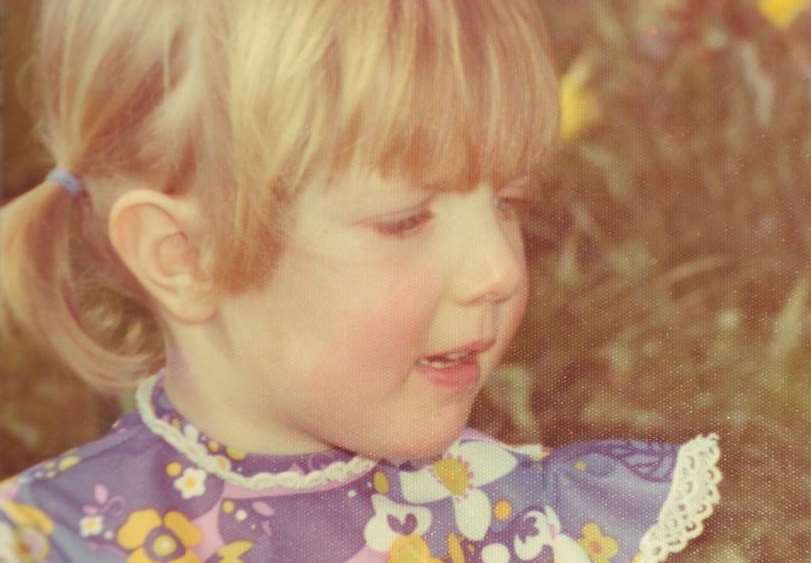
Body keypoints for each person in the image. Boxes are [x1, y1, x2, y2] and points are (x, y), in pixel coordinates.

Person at [0, 1, 721, 561]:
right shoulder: (52, 537)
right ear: (184, 256)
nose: (499, 269)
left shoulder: (530, 523)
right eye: (406, 220)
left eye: (509, 202)